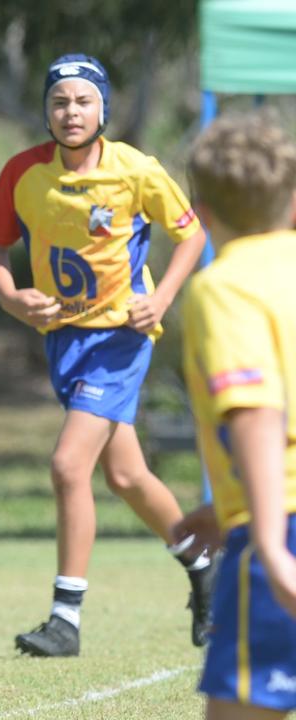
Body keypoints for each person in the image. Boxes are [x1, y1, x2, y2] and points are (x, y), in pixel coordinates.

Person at [0, 53, 212, 657]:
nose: (71, 111)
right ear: (47, 111)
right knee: (127, 475)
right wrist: (13, 299)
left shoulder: (136, 170)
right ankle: (204, 565)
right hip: (64, 342)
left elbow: (191, 235)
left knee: (67, 466)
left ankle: (66, 618)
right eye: (60, 101)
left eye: (83, 100)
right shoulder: (24, 173)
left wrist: (159, 299)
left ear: (103, 107)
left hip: (120, 339)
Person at [174, 112, 296, 720]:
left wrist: (268, 540)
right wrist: (228, 509)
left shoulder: (223, 287)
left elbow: (256, 412)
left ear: (202, 209)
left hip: (283, 523)